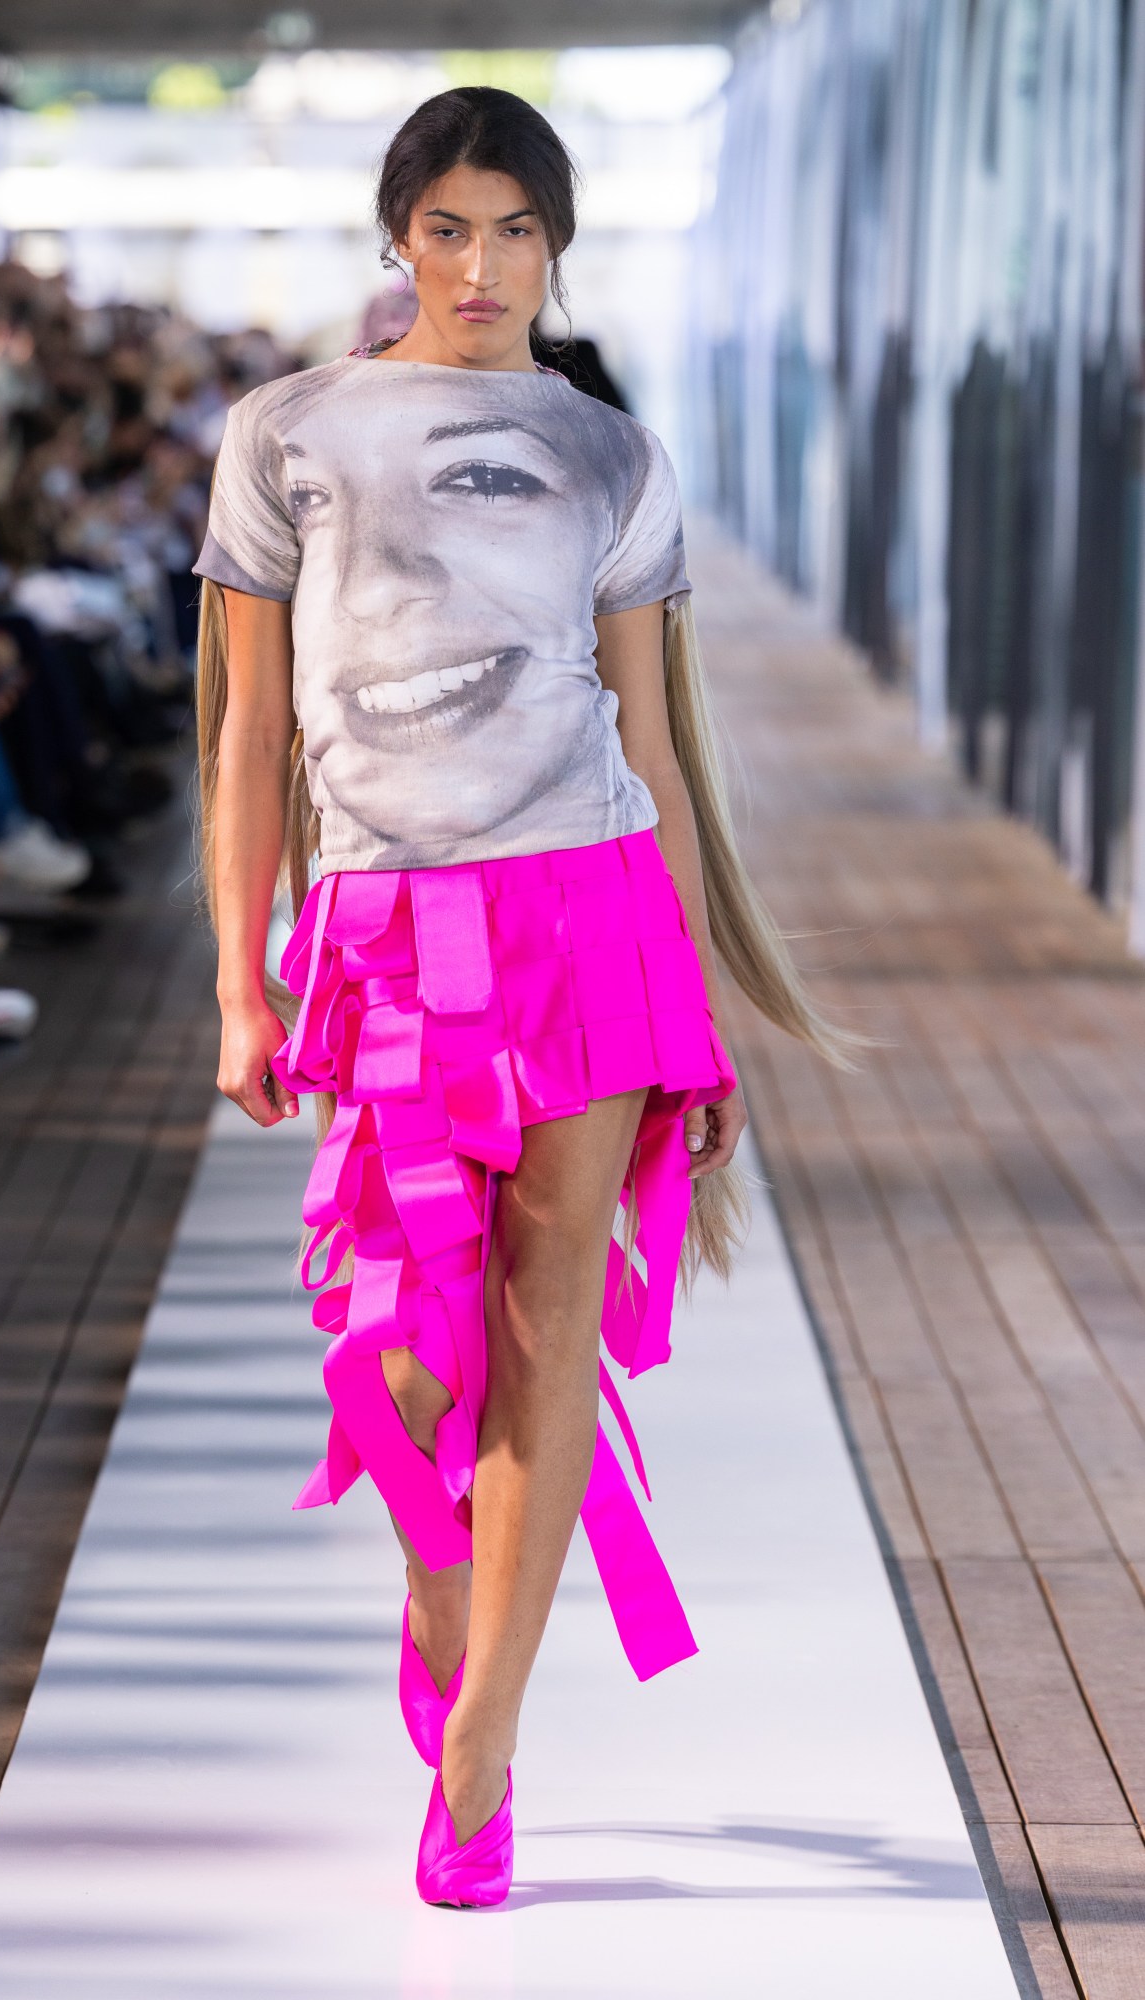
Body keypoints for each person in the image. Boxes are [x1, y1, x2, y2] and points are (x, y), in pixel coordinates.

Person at [196, 86, 850, 1911]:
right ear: (396, 236)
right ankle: (450, 1623)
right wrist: (240, 983)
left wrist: (695, 999)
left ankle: (482, 1742)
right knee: (408, 1364)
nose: (480, 266)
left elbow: (652, 743)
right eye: (447, 229)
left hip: (592, 916)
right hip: (390, 934)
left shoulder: (610, 453)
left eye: (514, 232)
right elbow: (247, 737)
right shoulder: (284, 434)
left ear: (554, 245)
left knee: (551, 1334)